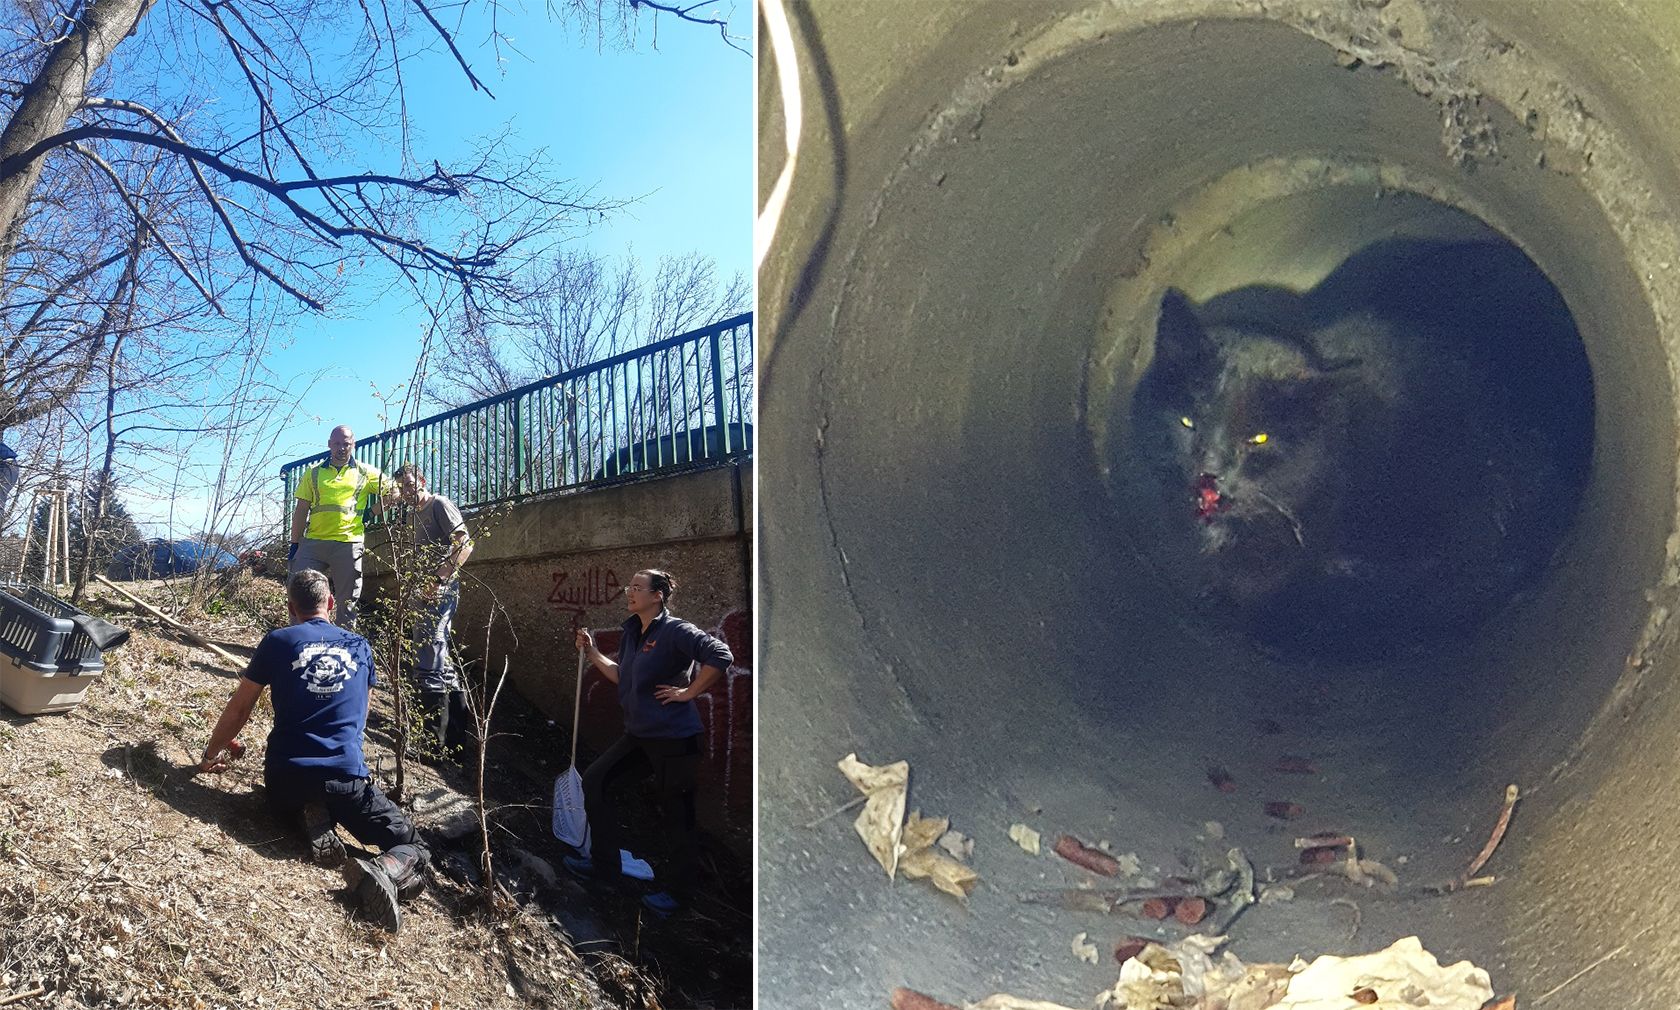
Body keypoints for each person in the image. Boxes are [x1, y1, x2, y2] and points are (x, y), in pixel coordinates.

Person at [198, 569, 426, 932]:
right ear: (331, 604)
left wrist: (210, 755)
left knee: (286, 798)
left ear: (291, 607)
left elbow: (240, 708)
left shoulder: (278, 641)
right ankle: (385, 870)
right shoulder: (360, 647)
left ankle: (309, 817)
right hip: (345, 778)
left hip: (285, 777)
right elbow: (360, 720)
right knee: (413, 844)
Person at [567, 568, 733, 916]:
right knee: (597, 780)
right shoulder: (632, 632)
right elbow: (621, 674)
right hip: (640, 736)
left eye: (637, 587)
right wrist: (594, 652)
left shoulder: (676, 630)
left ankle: (679, 896)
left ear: (657, 596)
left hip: (676, 740)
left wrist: (688, 692)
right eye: (630, 586)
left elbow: (720, 655)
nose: (630, 591)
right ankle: (605, 868)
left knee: (678, 816)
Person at [393, 462, 474, 756]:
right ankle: (455, 743)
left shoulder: (439, 504)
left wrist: (438, 580)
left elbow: (464, 544)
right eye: (402, 488)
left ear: (423, 480)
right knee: (441, 663)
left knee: (429, 655)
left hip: (439, 591)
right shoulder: (412, 513)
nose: (407, 491)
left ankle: (432, 745)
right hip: (420, 592)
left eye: (410, 485)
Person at [288, 425, 388, 631]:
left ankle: (343, 644)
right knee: (299, 590)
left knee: (347, 600)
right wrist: (295, 543)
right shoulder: (313, 473)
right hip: (314, 542)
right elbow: (301, 509)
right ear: (329, 444)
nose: (341, 448)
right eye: (337, 443)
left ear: (353, 445)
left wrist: (372, 512)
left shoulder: (365, 472)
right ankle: (299, 638)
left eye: (346, 444)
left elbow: (394, 491)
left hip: (348, 543)